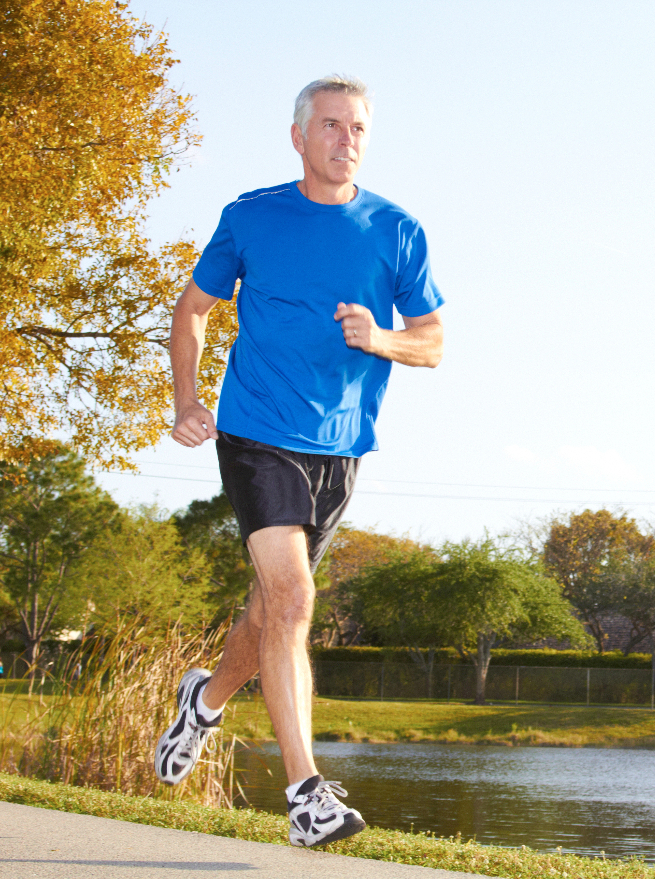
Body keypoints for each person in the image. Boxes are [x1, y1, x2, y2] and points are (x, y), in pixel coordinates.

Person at [154, 74, 444, 847]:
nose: (345, 140)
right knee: (293, 601)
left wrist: (380, 338)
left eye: (356, 129)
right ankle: (307, 793)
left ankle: (205, 699)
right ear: (298, 136)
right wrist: (188, 400)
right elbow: (190, 313)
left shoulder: (397, 230)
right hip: (256, 430)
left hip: (342, 447)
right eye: (330, 125)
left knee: (268, 610)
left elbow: (434, 341)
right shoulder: (251, 217)